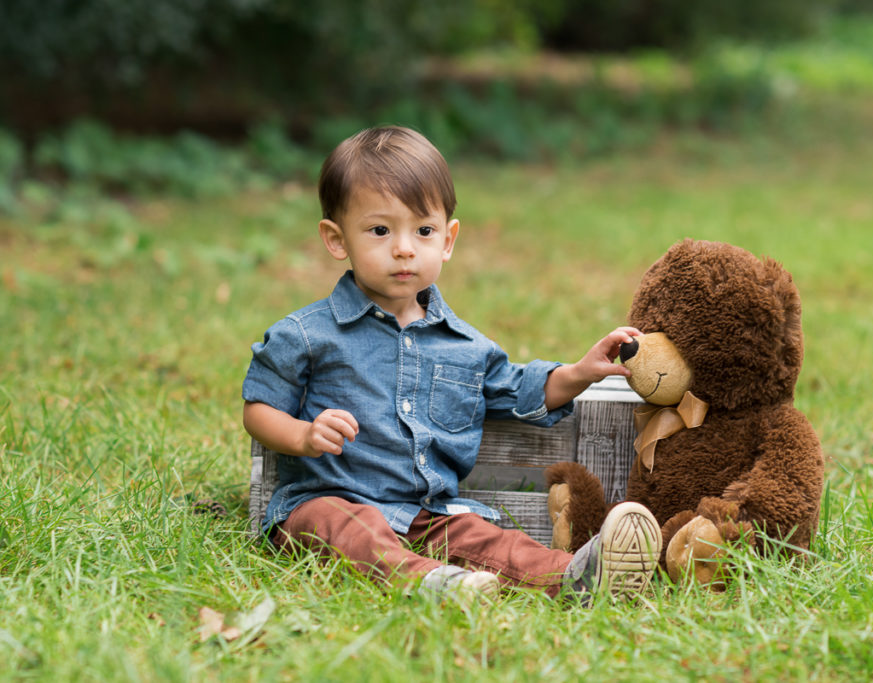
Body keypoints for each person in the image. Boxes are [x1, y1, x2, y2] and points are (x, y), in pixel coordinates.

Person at [242, 125, 660, 603]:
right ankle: (428, 583)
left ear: (447, 239)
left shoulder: (466, 347)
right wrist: (302, 435)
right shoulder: (307, 334)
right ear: (337, 240)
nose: (404, 248)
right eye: (380, 230)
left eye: (423, 230)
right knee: (343, 528)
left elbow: (520, 390)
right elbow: (258, 407)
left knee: (485, 538)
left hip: (428, 513)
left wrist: (579, 372)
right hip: (331, 501)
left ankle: (576, 577)